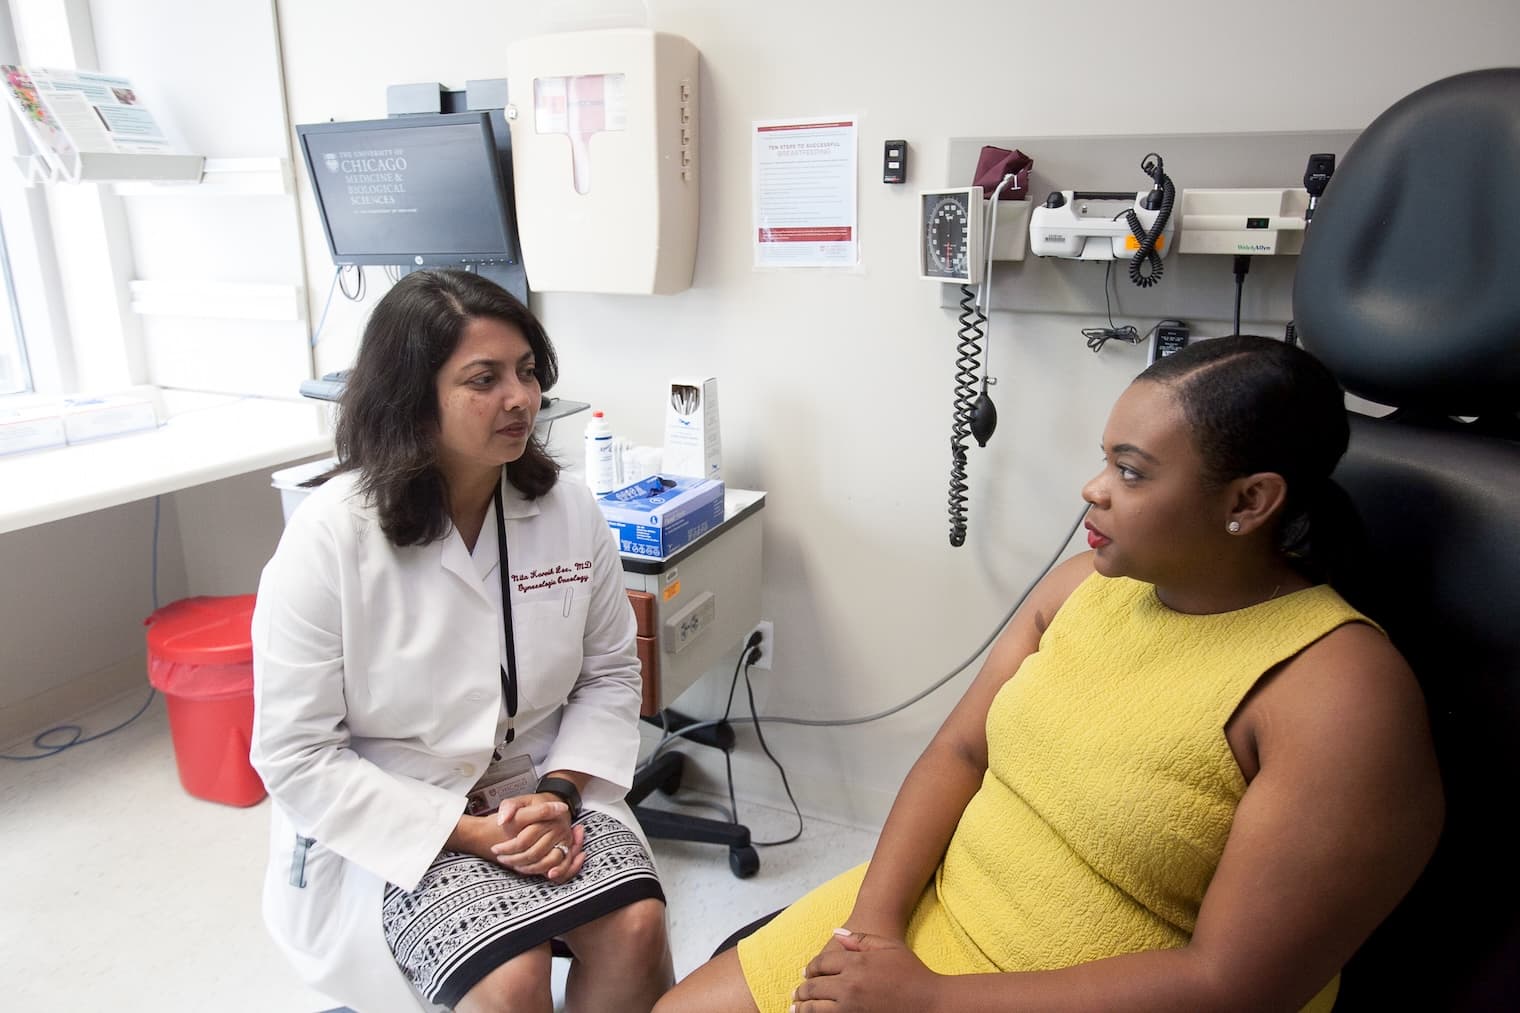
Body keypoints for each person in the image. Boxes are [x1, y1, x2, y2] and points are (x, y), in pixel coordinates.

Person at [655, 335, 1444, 1013]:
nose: (1093, 488)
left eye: (1132, 473)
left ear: (1249, 500)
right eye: (1106, 459)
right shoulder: (1086, 586)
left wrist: (929, 999)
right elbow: (959, 755)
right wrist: (869, 933)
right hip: (939, 916)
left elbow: (1230, 986)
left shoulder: (1339, 695)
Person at [251, 269, 673, 1013]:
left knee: (638, 924)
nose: (521, 397)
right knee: (512, 974)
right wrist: (469, 832)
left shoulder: (568, 510)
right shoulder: (330, 538)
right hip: (400, 814)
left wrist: (559, 792)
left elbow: (609, 673)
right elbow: (294, 753)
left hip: (543, 785)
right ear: (413, 401)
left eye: (528, 371)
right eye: (485, 379)